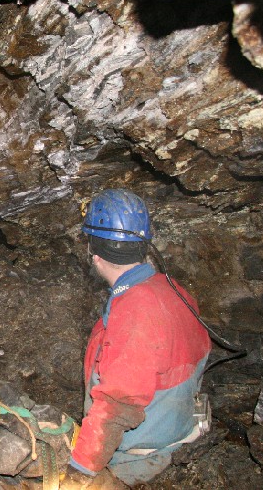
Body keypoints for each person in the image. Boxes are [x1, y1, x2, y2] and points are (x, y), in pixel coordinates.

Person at [64, 188, 211, 487]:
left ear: (93, 252)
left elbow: (118, 405)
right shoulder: (172, 291)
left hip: (143, 458)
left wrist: (80, 469)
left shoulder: (135, 312)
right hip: (178, 430)